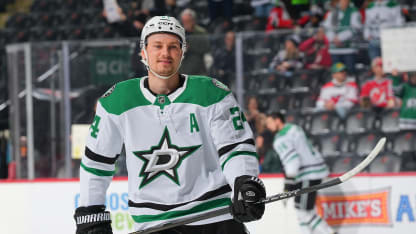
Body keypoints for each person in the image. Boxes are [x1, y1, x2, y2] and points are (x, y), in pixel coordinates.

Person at [73, 16, 266, 234]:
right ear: (143, 52)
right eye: (157, 46)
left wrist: (245, 183)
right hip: (154, 224)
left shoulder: (211, 92)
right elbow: (97, 162)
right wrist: (90, 210)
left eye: (173, 46)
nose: (165, 53)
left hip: (215, 219)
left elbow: (236, 147)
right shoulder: (116, 101)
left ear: (183, 52)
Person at [265, 112, 336, 234]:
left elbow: (292, 164)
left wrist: (287, 186)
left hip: (307, 175)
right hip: (313, 171)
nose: (268, 126)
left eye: (269, 122)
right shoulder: (294, 128)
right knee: (301, 211)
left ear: (277, 120)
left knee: (303, 211)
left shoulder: (281, 138)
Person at [322, 0, 362, 74]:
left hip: (349, 48)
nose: (343, 2)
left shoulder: (354, 11)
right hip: (335, 48)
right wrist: (333, 38)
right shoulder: (332, 12)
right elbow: (326, 28)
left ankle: (351, 84)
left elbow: (356, 28)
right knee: (337, 71)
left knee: (350, 70)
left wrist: (340, 38)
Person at [179, 8, 211, 75]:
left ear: (193, 21)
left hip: (198, 69)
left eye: (188, 21)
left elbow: (206, 47)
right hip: (182, 69)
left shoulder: (201, 32)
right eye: (184, 21)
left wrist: (190, 46)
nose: (186, 23)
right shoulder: (179, 32)